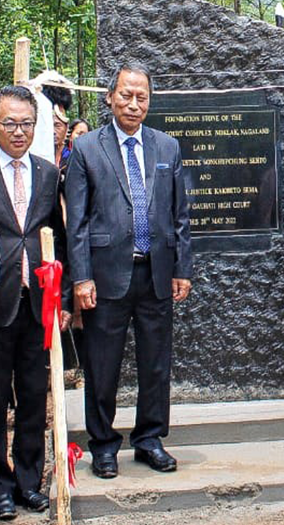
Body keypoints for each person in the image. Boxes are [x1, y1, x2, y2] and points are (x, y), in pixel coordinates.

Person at [65, 64, 193, 479]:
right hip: (105, 277)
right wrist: (81, 277)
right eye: (126, 95)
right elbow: (77, 222)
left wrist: (181, 268)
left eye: (142, 97)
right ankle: (103, 445)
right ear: (110, 97)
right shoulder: (87, 149)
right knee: (103, 366)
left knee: (156, 363)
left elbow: (179, 215)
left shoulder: (167, 148)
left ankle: (150, 439)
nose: (133, 104)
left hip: (155, 274)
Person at [0, 85, 68, 520]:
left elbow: (56, 234)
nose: (18, 132)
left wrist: (64, 295)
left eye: (27, 123)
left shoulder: (47, 172)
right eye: (10, 123)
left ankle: (28, 482)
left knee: (34, 396)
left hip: (39, 303)